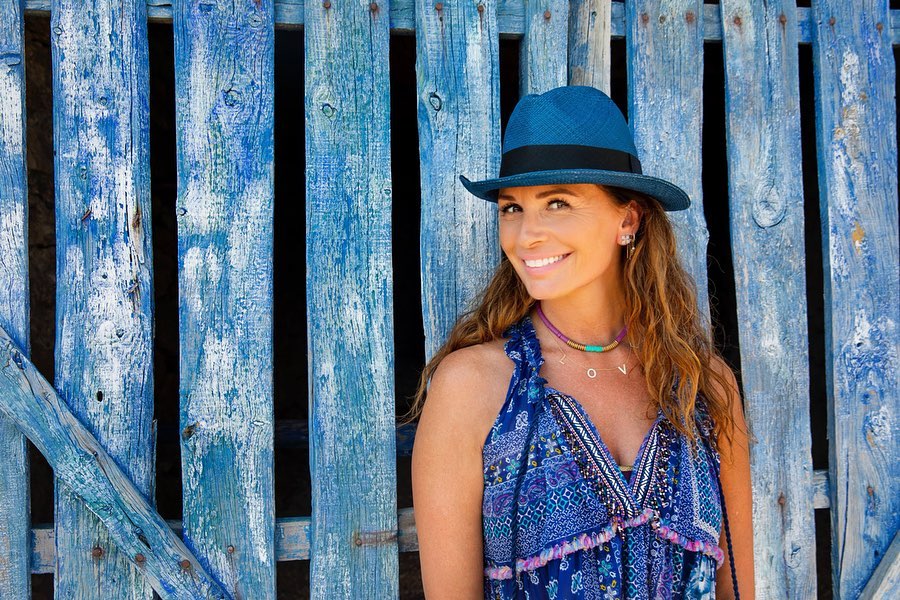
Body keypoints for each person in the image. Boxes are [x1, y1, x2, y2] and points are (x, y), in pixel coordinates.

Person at [410, 85, 754, 599]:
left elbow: (738, 590)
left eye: (557, 203)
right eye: (511, 208)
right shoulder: (472, 388)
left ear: (628, 219)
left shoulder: (703, 387)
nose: (526, 235)